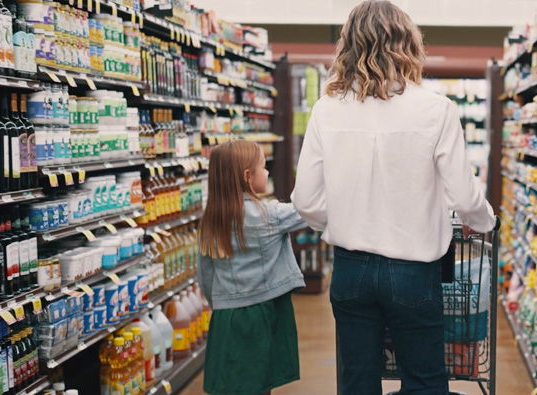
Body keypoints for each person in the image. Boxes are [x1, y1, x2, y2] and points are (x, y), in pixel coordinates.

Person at [291, 1, 496, 394]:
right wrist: (485, 220)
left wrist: (337, 224)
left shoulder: (326, 109)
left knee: (357, 380)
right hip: (414, 272)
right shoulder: (436, 109)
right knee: (423, 380)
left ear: (348, 45)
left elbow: (305, 199)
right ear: (408, 45)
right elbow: (464, 194)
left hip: (351, 269)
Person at [197, 140, 309, 395]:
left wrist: (222, 304)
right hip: (264, 312)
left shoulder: (210, 221)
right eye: (263, 167)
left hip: (228, 318)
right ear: (248, 177)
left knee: (234, 384)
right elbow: (310, 211)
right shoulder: (270, 214)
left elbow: (205, 276)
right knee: (260, 382)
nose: (267, 171)